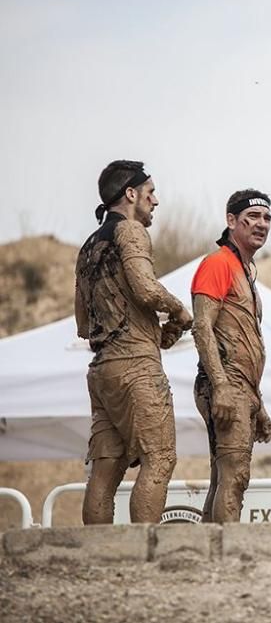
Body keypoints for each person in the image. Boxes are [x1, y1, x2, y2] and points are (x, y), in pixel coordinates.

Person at [75, 160, 192, 524]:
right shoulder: (130, 231)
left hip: (101, 370)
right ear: (130, 194)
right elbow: (144, 288)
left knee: (105, 470)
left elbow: (83, 322)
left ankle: (96, 556)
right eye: (150, 192)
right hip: (135, 368)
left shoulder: (88, 246)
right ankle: (145, 551)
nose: (155, 201)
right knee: (160, 456)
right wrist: (179, 309)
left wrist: (158, 334)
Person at [191, 190, 271, 523]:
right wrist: (222, 386)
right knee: (236, 475)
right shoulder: (218, 263)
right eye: (252, 217)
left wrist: (258, 402)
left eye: (267, 218)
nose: (262, 224)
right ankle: (225, 557)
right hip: (225, 383)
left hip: (241, 386)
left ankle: (211, 556)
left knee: (224, 476)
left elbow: (246, 340)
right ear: (231, 221)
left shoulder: (246, 269)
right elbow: (201, 327)